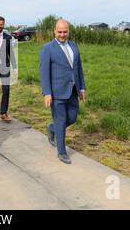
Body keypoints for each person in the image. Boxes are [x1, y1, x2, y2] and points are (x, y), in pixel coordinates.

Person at [39, 19, 87, 164]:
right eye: (59, 32)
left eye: (65, 31)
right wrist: (47, 92)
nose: (62, 34)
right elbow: (44, 72)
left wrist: (82, 88)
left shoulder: (74, 46)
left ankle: (52, 128)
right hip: (56, 92)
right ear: (54, 31)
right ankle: (62, 152)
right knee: (61, 121)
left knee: (71, 118)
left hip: (72, 90)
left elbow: (78, 69)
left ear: (68, 31)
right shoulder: (47, 48)